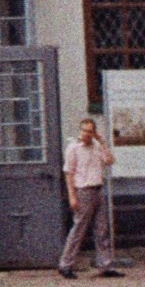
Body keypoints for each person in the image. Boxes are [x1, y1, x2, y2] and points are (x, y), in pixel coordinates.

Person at [57, 112, 118, 278]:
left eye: (90, 131)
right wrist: (72, 196)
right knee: (79, 229)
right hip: (83, 190)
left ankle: (105, 265)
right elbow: (68, 173)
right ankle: (65, 264)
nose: (86, 134)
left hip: (98, 189)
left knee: (102, 229)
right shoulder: (73, 148)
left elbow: (110, 160)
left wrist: (102, 142)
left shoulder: (97, 146)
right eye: (84, 130)